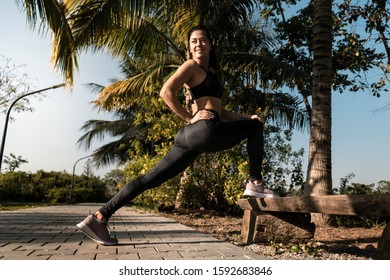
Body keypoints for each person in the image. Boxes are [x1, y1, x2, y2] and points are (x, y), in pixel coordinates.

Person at [76, 25, 279, 246]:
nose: (198, 44)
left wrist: (248, 117)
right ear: (190, 48)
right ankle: (255, 182)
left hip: (190, 137)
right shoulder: (191, 65)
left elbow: (222, 111)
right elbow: (166, 92)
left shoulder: (210, 73)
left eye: (202, 40)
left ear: (210, 44)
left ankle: (99, 217)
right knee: (256, 130)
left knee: (149, 179)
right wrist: (188, 118)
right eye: (194, 41)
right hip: (203, 129)